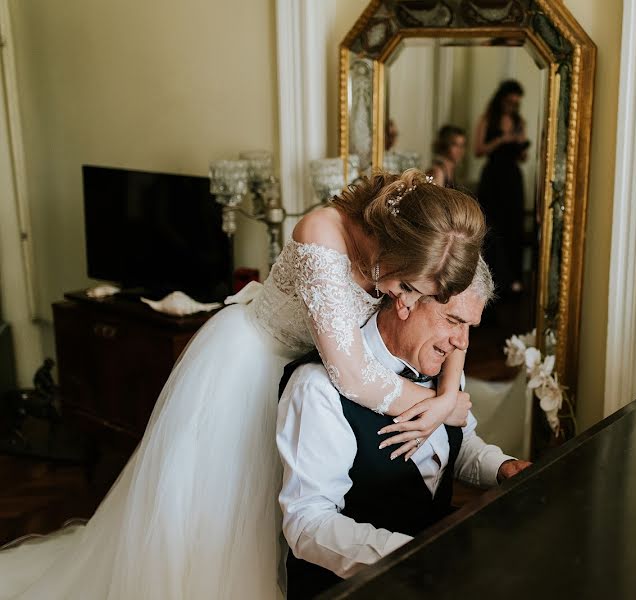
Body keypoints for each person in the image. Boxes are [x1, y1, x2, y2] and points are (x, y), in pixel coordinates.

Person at [0, 169, 486, 599]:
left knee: (284, 497)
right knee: (225, 512)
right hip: (251, 364)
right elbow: (354, 375)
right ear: (394, 250)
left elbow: (457, 313)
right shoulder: (323, 233)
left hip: (315, 371)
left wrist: (446, 397)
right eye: (405, 289)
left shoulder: (432, 235)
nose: (402, 303)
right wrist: (437, 403)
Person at [276, 258, 531, 598]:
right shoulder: (318, 388)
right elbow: (307, 525)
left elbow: (458, 444)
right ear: (405, 301)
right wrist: (413, 557)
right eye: (453, 320)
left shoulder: (442, 367)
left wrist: (500, 466)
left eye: (470, 326)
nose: (462, 343)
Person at [474, 79, 529, 296]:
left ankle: (513, 279)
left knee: (513, 226)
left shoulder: (519, 122)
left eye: (516, 103)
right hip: (494, 176)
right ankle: (491, 278)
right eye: (509, 102)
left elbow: (523, 157)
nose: (512, 106)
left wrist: (519, 144)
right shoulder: (488, 120)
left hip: (513, 177)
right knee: (491, 225)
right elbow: (478, 150)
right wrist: (501, 140)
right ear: (501, 100)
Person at [427, 124, 466, 189]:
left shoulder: (452, 170)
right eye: (455, 145)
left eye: (462, 145)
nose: (460, 150)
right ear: (445, 145)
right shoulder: (438, 172)